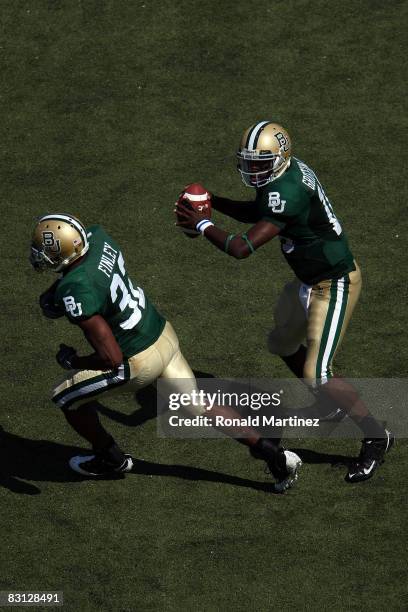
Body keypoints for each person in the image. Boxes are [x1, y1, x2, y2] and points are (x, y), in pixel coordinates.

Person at [176, 121, 393, 483]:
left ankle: (376, 436)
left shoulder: (286, 190)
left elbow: (241, 248)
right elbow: (260, 211)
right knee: (281, 342)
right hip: (308, 279)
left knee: (318, 372)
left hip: (334, 281)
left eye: (260, 162)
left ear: (280, 159)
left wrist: (202, 223)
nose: (253, 169)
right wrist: (215, 203)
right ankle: (328, 403)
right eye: (250, 161)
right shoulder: (283, 176)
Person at [30, 212, 301, 491]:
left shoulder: (76, 290)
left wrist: (73, 359)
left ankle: (109, 457)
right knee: (199, 405)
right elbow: (91, 274)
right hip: (162, 335)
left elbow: (111, 357)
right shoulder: (98, 238)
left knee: (65, 398)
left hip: (136, 360)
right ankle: (274, 454)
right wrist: (57, 290)